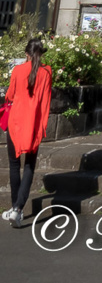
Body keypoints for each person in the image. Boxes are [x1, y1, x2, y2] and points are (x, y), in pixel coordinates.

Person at [3, 38, 52, 227]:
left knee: (14, 165)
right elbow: (46, 100)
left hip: (16, 123)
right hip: (34, 124)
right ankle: (17, 208)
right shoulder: (46, 72)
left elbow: (10, 95)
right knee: (29, 166)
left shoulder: (18, 70)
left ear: (26, 54)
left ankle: (15, 207)